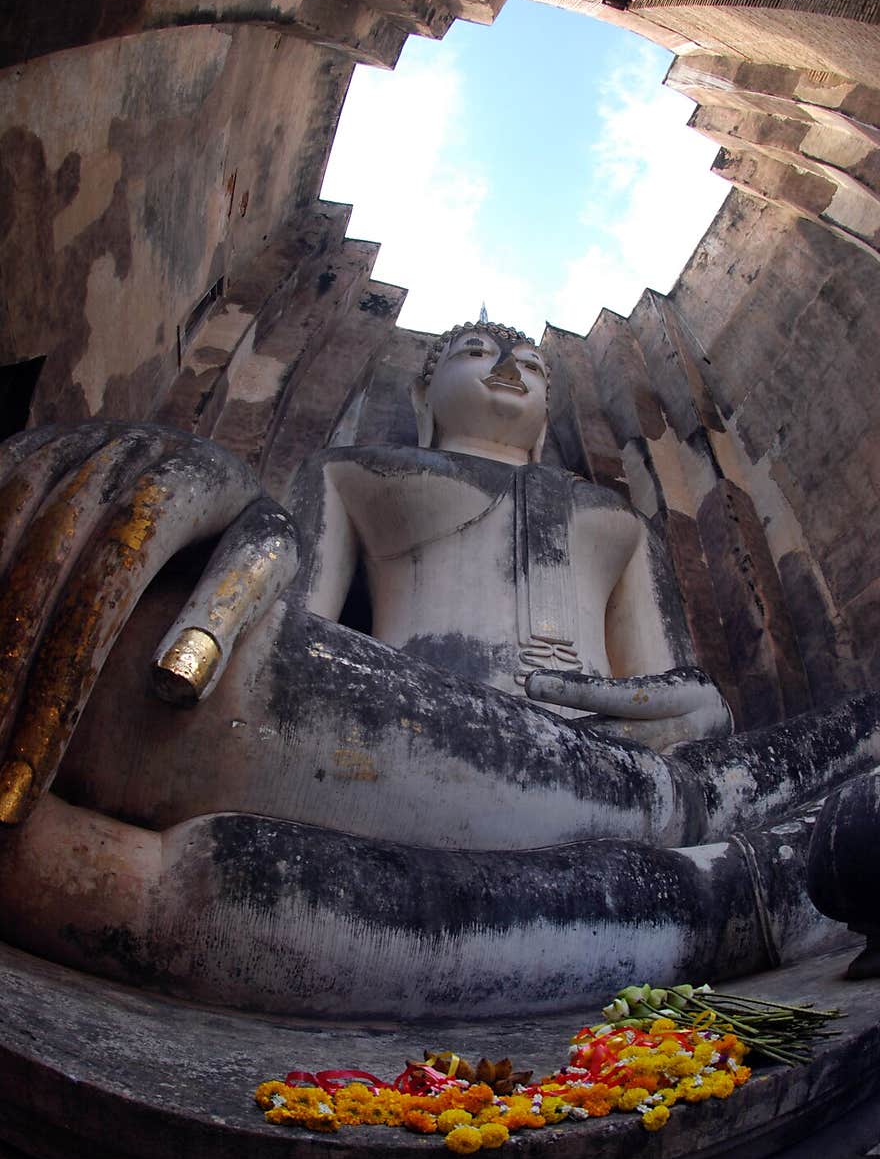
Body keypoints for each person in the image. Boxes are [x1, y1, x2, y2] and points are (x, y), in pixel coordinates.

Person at [0, 321, 877, 1013]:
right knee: (212, 689)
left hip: (629, 760)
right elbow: (289, 629)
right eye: (474, 351)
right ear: (424, 390)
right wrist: (232, 517)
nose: (505, 367)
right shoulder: (356, 471)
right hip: (402, 727)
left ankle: (726, 870)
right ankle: (746, 881)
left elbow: (695, 700)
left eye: (529, 362)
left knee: (767, 768)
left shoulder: (612, 517)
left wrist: (607, 695)